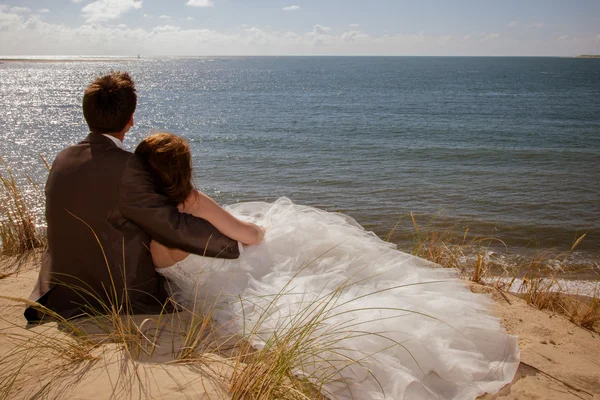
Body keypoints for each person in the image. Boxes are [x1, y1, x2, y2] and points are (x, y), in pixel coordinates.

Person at [135, 132, 520, 400]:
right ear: (183, 171)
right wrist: (254, 227)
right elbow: (249, 237)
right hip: (231, 277)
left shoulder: (144, 219)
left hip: (202, 292)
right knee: (283, 242)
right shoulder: (193, 202)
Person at [25, 72, 240, 323]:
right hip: (119, 294)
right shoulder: (129, 167)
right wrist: (233, 244)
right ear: (131, 119)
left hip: (64, 291)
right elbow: (173, 227)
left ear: (87, 114)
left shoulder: (62, 158)